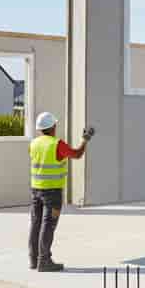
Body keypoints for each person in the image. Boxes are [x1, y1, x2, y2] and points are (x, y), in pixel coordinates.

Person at [29, 111, 92, 272]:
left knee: (36, 224)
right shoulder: (57, 144)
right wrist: (85, 140)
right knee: (48, 225)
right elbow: (76, 154)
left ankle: (34, 259)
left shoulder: (34, 143)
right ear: (53, 127)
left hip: (36, 190)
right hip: (52, 192)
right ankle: (44, 261)